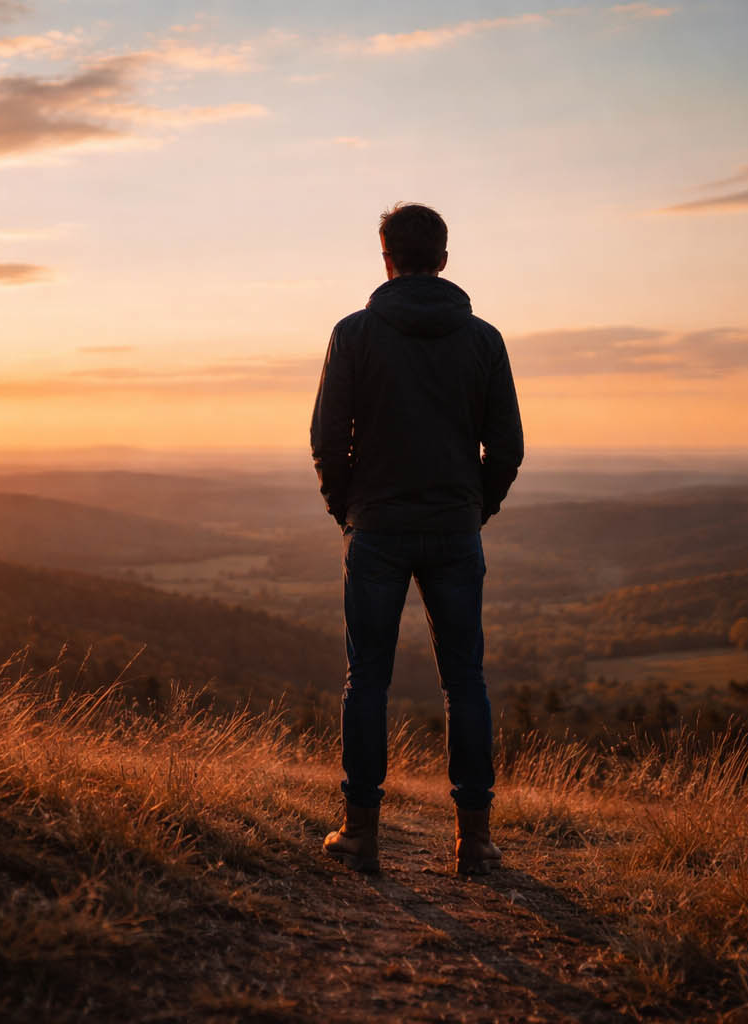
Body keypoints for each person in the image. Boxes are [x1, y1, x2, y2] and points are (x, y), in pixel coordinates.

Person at [310, 202, 523, 875]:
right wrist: (474, 509)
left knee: (366, 678)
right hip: (455, 531)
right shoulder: (483, 340)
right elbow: (508, 447)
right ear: (445, 258)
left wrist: (350, 510)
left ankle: (361, 834)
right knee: (466, 680)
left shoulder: (354, 335)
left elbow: (326, 439)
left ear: (386, 257)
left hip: (375, 530)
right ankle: (476, 841)